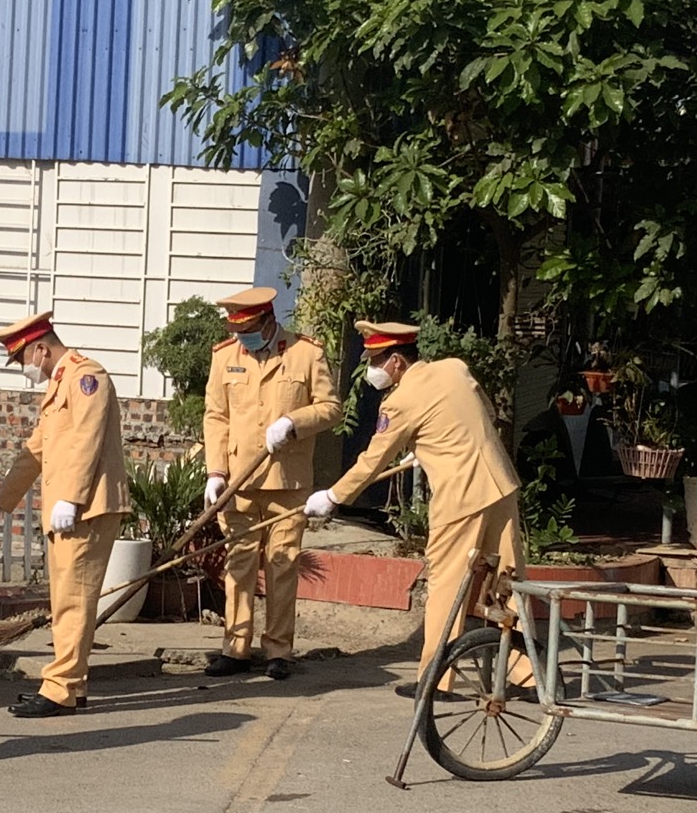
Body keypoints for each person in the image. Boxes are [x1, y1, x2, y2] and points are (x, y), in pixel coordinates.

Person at [304, 320, 526, 697]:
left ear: (396, 362)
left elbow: (373, 459)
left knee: (446, 585)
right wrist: (434, 444)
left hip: (461, 497)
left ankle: (435, 680)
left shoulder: (400, 401)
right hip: (501, 484)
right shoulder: (454, 368)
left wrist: (334, 496)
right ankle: (529, 675)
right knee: (506, 581)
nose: (371, 369)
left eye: (375, 360)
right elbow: (482, 413)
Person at [0, 312, 129, 717]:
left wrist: (72, 498)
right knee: (64, 600)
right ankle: (70, 686)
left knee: (73, 601)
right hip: (69, 510)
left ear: (41, 348)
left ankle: (60, 688)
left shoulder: (85, 377)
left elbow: (88, 440)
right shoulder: (59, 385)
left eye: (24, 358)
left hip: (87, 508)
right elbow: (33, 453)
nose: (25, 369)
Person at [202, 287, 343, 680]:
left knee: (282, 564)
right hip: (239, 480)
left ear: (268, 321)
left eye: (248, 328)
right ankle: (236, 647)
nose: (242, 337)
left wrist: (294, 423)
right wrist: (215, 471)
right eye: (237, 330)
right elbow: (215, 416)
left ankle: (278, 649)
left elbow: (331, 407)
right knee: (239, 564)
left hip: (288, 481)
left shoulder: (305, 352)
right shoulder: (224, 356)